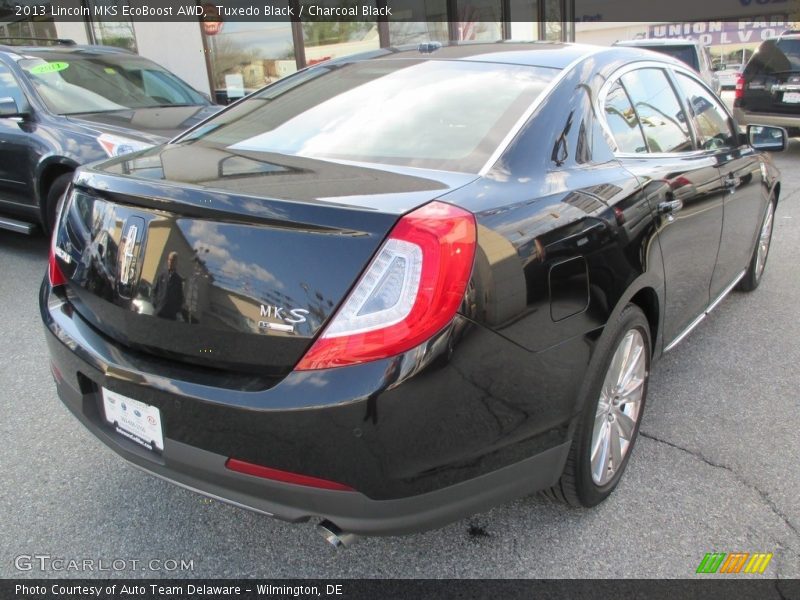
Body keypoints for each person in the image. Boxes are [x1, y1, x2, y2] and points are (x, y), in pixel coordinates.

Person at [152, 251, 184, 320]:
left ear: (176, 262)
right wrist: (156, 304)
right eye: (169, 259)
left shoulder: (178, 280)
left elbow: (180, 298)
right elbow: (155, 291)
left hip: (170, 316)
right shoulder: (161, 275)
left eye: (172, 260)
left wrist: (175, 311)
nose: (170, 262)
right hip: (158, 312)